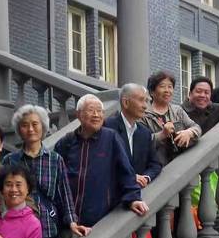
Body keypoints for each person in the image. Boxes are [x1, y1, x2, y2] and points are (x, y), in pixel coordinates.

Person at [4, 104, 90, 238]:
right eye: (25, 125)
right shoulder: (10, 160)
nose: (30, 129)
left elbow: (65, 194)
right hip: (19, 228)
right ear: (19, 130)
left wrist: (72, 222)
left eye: (35, 124)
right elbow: (3, 195)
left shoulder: (55, 159)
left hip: (48, 228)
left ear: (43, 127)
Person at [54, 94, 150, 227]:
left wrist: (133, 199)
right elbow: (56, 177)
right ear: (79, 114)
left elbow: (125, 171)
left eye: (100, 111)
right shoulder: (67, 142)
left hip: (101, 219)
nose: (96, 115)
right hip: (69, 220)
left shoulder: (111, 138)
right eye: (91, 110)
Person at [103, 84, 162, 187]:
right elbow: (103, 162)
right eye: (141, 100)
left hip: (138, 192)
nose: (145, 106)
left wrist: (146, 177)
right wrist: (130, 176)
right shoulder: (107, 127)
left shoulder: (145, 133)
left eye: (146, 101)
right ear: (125, 103)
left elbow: (155, 164)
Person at [142, 70, 201, 165]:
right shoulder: (143, 114)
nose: (167, 90)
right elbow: (141, 142)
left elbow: (196, 127)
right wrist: (162, 134)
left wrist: (189, 133)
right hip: (155, 166)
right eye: (162, 86)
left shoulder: (177, 110)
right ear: (152, 92)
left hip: (180, 164)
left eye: (170, 87)